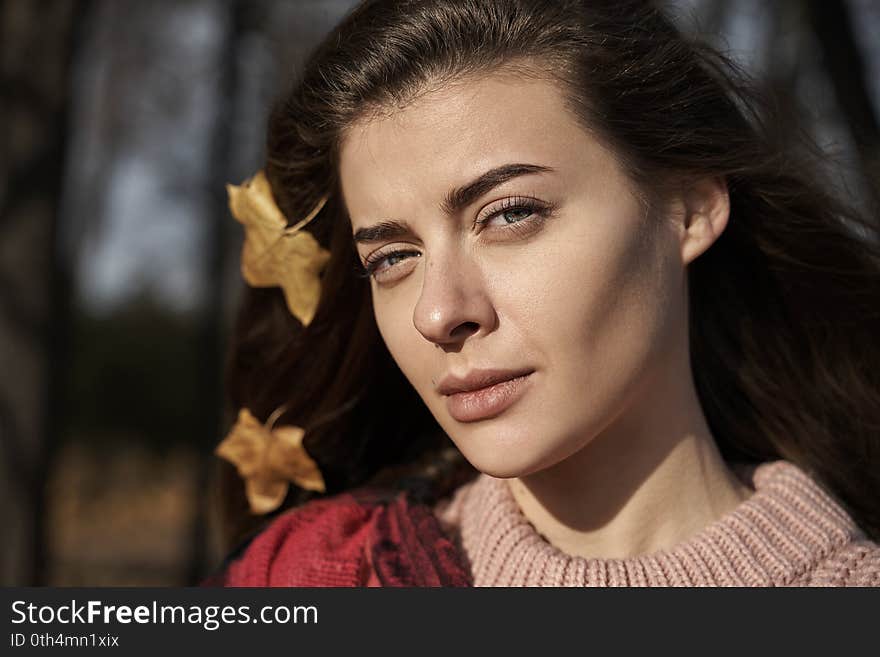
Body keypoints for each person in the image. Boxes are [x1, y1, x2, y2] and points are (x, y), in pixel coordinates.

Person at [204, 0, 880, 587]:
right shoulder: (309, 577)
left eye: (509, 214)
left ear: (690, 210)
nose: (438, 312)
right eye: (393, 257)